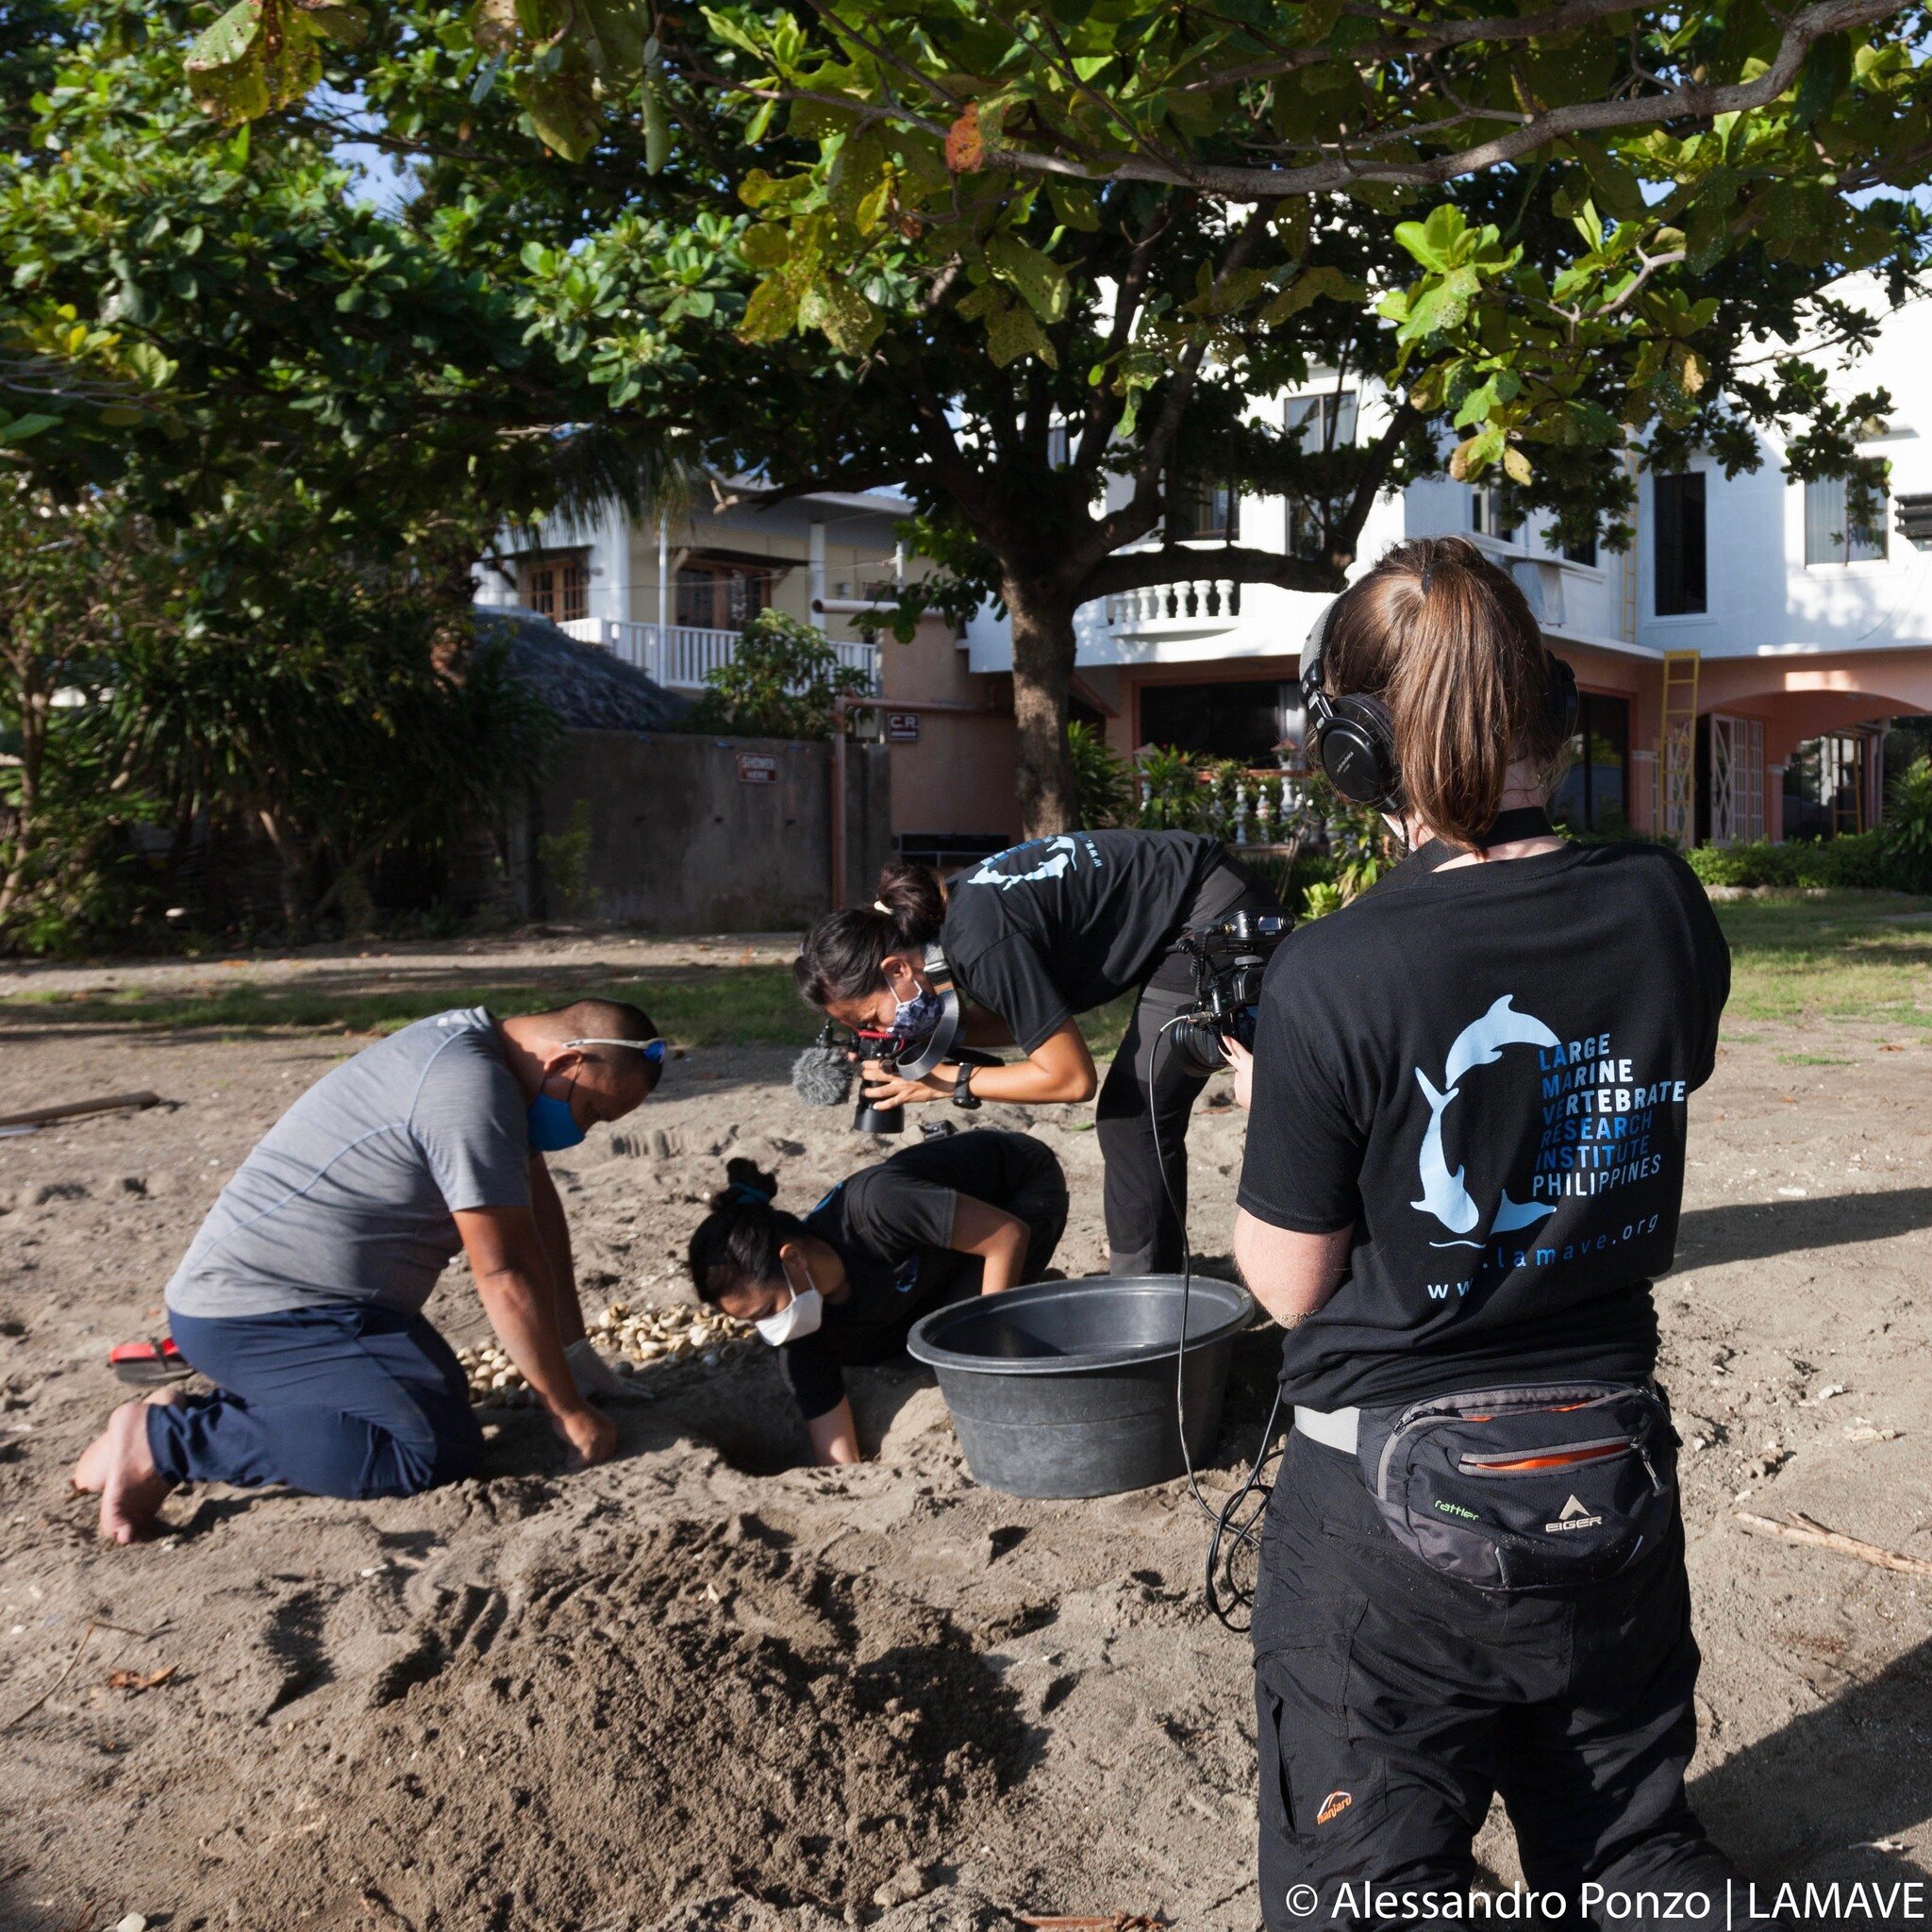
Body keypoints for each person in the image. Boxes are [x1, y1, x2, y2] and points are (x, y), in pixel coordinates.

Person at [1233, 537, 1736, 1929]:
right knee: (1633, 1852)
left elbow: (1288, 1283)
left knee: (1375, 1893)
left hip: (1385, 1525)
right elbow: (1647, 1083)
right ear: (1553, 710)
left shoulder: (1332, 971)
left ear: (1345, 745)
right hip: (1614, 1470)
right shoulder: (1663, 902)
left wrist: (1276, 1097)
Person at [72, 998, 664, 1542]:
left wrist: (574, 1353)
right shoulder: (468, 1090)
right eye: (589, 1109)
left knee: (438, 1404)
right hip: (257, 1314)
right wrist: (566, 1412)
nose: (582, 1132)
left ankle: (196, 1415)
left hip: (330, 1309)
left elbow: (537, 1217)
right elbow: (504, 1271)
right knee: (431, 1451)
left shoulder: (486, 1061)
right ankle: (169, 1441)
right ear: (567, 1060)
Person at [793, 831, 1275, 1275]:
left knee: (1134, 1118)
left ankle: (1148, 1304)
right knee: (1136, 1114)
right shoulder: (951, 917)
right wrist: (918, 1043)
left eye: (871, 1019)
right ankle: (1152, 1283)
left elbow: (1070, 1078)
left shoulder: (978, 943)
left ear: (898, 969)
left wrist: (945, 1080)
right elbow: (1032, 1020)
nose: (878, 1030)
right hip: (1195, 895)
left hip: (1212, 912)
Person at [689, 1131, 1067, 1464]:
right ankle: (1018, 1293)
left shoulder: (877, 1208)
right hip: (932, 1254)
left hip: (1018, 1190)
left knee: (960, 1338)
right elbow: (837, 1455)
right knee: (899, 1345)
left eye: (768, 1310)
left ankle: (1024, 1292)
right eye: (753, 1321)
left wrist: (991, 1362)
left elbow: (1007, 1235)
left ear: (794, 1259)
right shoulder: (797, 1333)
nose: (769, 1329)